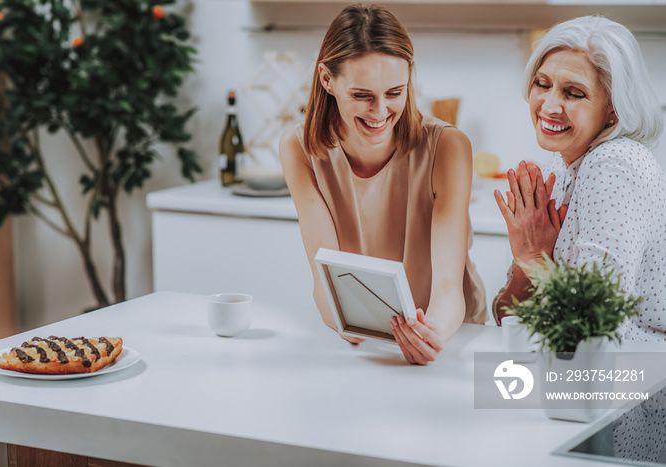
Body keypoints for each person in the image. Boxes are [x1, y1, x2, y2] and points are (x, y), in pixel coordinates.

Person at [279, 4, 487, 365]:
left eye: (395, 92)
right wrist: (353, 328)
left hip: (450, 337)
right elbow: (326, 281)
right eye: (362, 96)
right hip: (363, 343)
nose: (379, 112)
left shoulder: (448, 147)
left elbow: (450, 287)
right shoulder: (298, 149)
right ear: (327, 80)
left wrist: (429, 334)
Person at [493, 16, 666, 341]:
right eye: (542, 84)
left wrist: (533, 259)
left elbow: (596, 326)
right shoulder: (557, 168)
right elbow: (505, 319)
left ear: (613, 107)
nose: (549, 105)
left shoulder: (614, 165)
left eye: (573, 93)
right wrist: (528, 262)